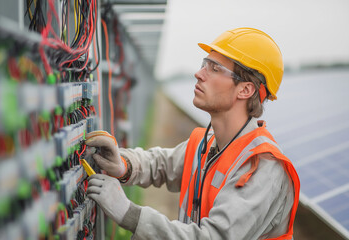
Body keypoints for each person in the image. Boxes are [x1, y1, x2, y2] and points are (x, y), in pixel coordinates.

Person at [85, 27, 300, 240]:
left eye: (215, 69)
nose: (199, 74)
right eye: (204, 65)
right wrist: (123, 164)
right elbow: (161, 164)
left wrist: (129, 214)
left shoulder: (262, 166)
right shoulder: (206, 144)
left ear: (245, 90)